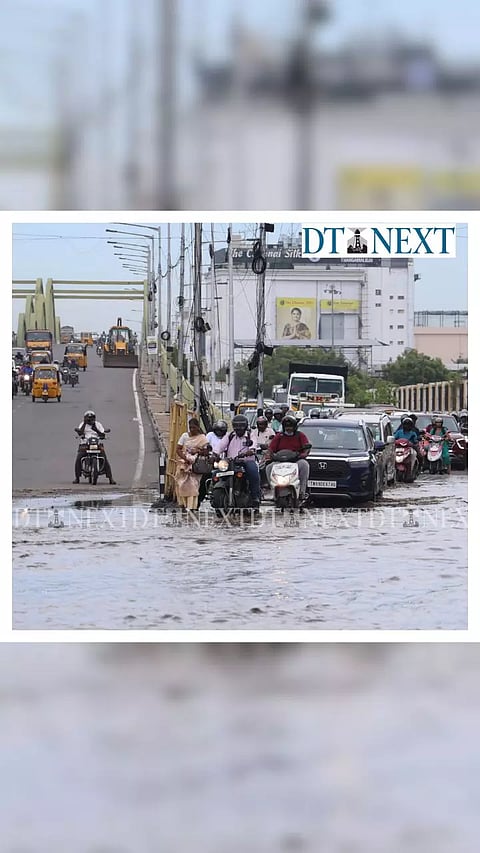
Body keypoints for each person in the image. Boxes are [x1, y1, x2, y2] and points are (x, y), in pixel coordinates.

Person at [264, 414, 312, 502]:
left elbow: (306, 447)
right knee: (269, 467)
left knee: (304, 465)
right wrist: (269, 455)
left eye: (290, 426)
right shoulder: (279, 436)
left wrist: (303, 454)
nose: (288, 428)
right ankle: (273, 490)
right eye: (286, 426)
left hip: (296, 460)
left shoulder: (300, 435)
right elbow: (271, 448)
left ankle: (302, 491)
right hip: (280, 461)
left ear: (294, 427)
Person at [223, 414, 261, 508]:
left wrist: (251, 451)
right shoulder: (230, 435)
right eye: (236, 426)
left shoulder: (250, 435)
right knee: (217, 472)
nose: (239, 428)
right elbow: (220, 446)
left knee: (253, 473)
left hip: (246, 461)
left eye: (241, 426)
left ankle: (255, 496)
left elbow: (253, 445)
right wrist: (214, 454)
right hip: (231, 462)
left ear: (245, 426)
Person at [175, 417, 209, 510]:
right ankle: (183, 505)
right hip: (184, 465)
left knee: (193, 486)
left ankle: (193, 507)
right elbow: (178, 449)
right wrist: (185, 458)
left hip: (196, 466)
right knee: (182, 485)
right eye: (190, 428)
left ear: (198, 427)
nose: (192, 430)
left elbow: (206, 452)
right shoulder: (185, 436)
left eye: (194, 427)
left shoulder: (202, 438)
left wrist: (198, 451)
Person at [73, 410, 116, 484]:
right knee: (78, 458)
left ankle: (110, 478)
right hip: (85, 444)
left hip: (96, 444)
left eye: (92, 418)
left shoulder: (98, 424)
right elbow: (80, 433)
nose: (90, 419)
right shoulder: (83, 424)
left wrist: (96, 429)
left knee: (104, 458)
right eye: (88, 418)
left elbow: (102, 434)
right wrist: (84, 423)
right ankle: (77, 478)